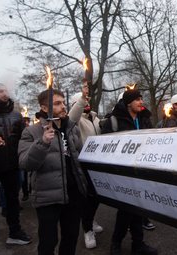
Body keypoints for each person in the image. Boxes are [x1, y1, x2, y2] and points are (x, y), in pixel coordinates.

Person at [18, 88, 88, 255]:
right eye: (57, 104)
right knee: (48, 243)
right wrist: (42, 143)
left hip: (73, 196)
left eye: (63, 102)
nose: (63, 106)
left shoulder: (72, 128)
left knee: (70, 240)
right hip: (48, 198)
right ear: (44, 108)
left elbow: (79, 158)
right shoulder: (31, 132)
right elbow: (25, 164)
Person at [102, 89, 157, 255]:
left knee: (139, 208)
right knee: (126, 209)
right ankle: (116, 243)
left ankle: (138, 245)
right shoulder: (113, 121)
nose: (141, 102)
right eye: (137, 100)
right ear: (128, 103)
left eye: (141, 99)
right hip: (122, 172)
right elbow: (105, 147)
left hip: (141, 170)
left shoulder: (145, 118)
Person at [68, 80, 103, 249]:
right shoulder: (76, 121)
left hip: (98, 163)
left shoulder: (95, 119)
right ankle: (87, 230)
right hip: (84, 164)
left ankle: (90, 219)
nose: (86, 104)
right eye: (83, 102)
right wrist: (80, 99)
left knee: (96, 196)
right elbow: (72, 116)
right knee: (88, 197)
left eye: (87, 101)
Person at [0, 83, 32, 245]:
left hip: (11, 165)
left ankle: (15, 233)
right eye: (0, 91)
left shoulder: (17, 115)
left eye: (5, 90)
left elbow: (23, 140)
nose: (4, 93)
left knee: (12, 200)